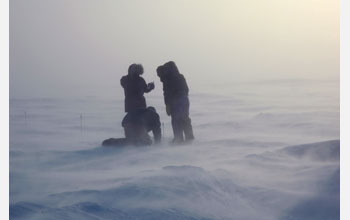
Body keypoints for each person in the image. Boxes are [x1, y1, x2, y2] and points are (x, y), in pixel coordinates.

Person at [157, 61, 194, 143]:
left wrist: (168, 104)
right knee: (184, 118)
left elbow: (167, 93)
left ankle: (179, 139)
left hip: (176, 101)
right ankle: (189, 138)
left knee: (176, 120)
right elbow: (186, 89)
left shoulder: (168, 79)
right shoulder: (179, 76)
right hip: (184, 100)